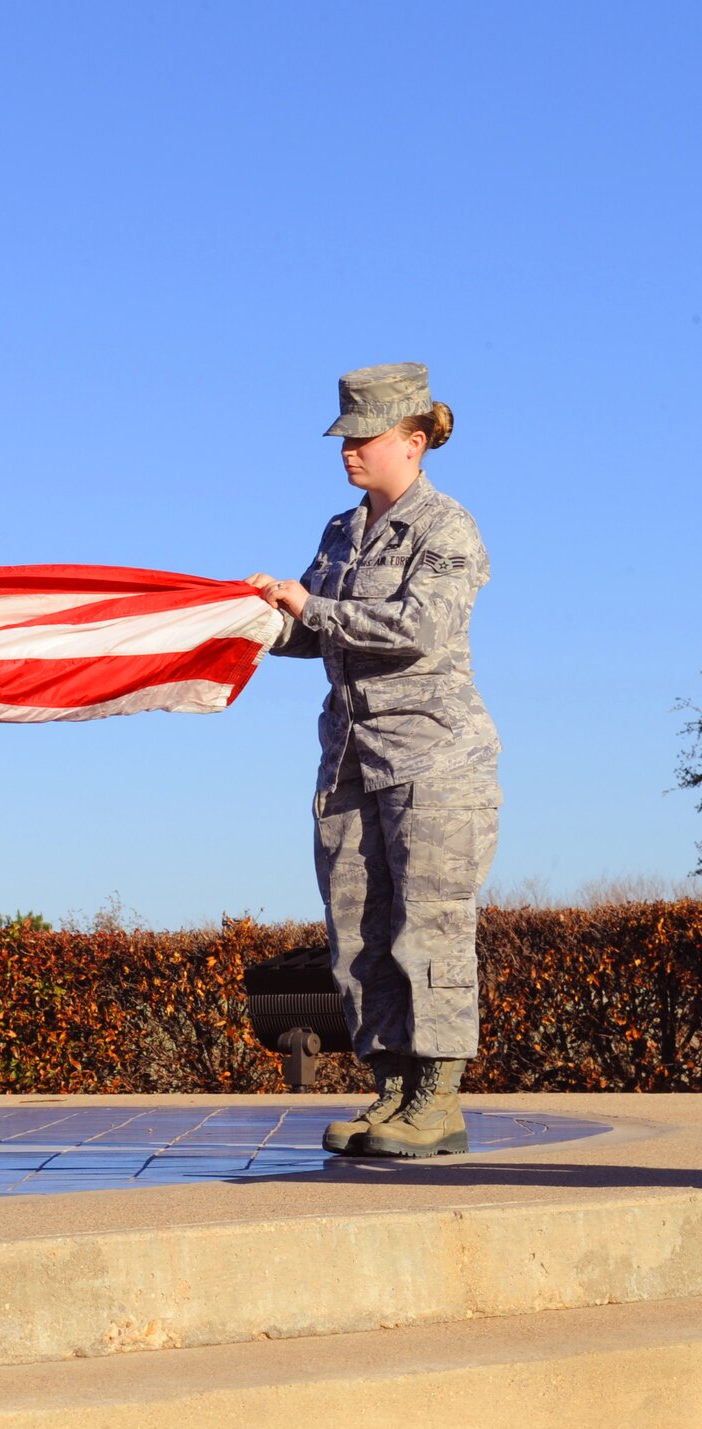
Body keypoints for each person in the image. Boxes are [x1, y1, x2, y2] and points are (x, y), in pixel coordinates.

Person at [248, 362, 500, 1158]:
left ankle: (438, 1097)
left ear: (414, 441)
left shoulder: (445, 528)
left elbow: (416, 628)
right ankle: (390, 1088)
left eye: (365, 436)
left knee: (426, 927)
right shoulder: (341, 531)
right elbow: (317, 632)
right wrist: (257, 618)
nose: (349, 450)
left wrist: (311, 605)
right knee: (356, 929)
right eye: (345, 437)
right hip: (352, 760)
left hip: (434, 760)